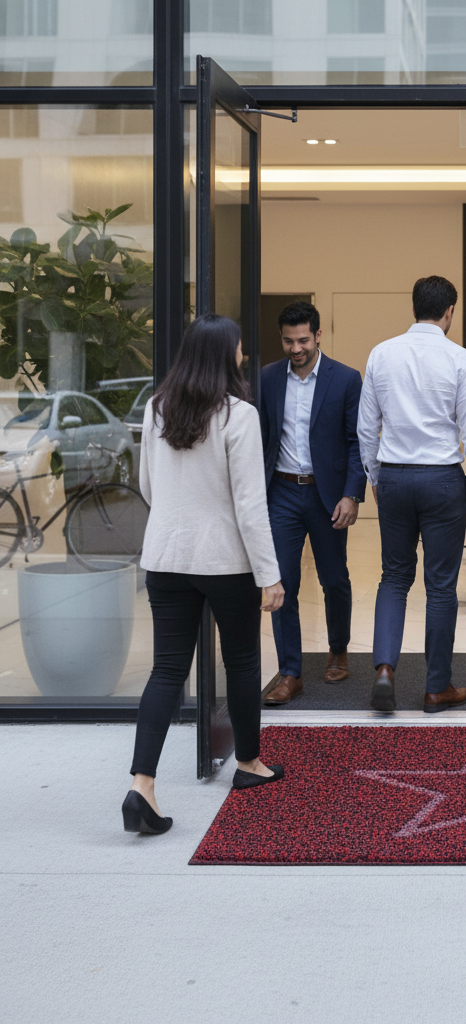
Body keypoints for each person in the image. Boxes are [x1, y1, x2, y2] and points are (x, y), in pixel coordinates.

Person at [122, 314, 285, 835]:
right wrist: (270, 575)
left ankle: (140, 786)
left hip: (166, 556)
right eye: (238, 347)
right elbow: (250, 506)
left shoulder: (156, 408)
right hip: (224, 560)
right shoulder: (238, 415)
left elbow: (148, 484)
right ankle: (248, 765)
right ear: (223, 355)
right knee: (240, 662)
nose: (241, 354)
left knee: (166, 670)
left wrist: (177, 518)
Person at [357, 275, 466, 714]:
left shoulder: (381, 353)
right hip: (441, 481)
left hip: (395, 478)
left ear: (413, 307)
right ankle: (437, 688)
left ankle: (384, 669)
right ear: (449, 311)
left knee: (394, 577)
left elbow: (366, 429)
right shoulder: (460, 358)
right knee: (439, 587)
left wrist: (376, 477)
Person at [259, 301, 366, 706]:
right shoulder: (268, 378)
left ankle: (338, 649)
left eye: (303, 339)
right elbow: (261, 439)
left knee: (334, 579)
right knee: (282, 582)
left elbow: (358, 443)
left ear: (318, 335)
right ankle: (290, 672)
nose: (296, 348)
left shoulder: (345, 379)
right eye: (288, 340)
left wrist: (351, 493)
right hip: (282, 492)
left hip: (326, 494)